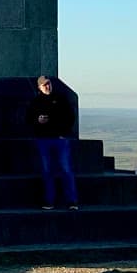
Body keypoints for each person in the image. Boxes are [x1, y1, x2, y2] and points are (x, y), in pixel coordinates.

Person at [34, 75, 78, 210]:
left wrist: (64, 132)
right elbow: (29, 119)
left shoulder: (61, 99)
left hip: (60, 139)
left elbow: (70, 116)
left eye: (49, 83)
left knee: (66, 169)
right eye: (44, 85)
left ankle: (71, 201)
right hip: (43, 139)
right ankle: (49, 200)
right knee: (47, 170)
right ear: (39, 87)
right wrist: (38, 120)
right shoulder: (36, 102)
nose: (47, 86)